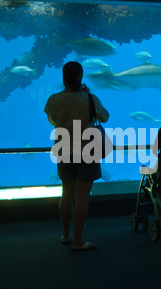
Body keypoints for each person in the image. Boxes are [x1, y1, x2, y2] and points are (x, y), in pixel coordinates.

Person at [44, 61, 109, 251]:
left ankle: (66, 235)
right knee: (82, 197)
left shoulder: (53, 99)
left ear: (63, 78)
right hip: (87, 151)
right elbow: (105, 117)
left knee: (66, 195)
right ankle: (78, 241)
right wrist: (88, 95)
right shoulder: (90, 98)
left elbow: (52, 120)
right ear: (81, 78)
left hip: (63, 149)